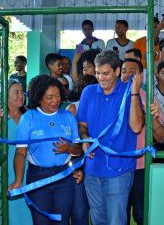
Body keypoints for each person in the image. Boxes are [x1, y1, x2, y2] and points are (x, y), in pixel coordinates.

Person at [77, 50, 144, 225]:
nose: (101, 78)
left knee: (116, 221)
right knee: (98, 220)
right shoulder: (88, 92)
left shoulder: (129, 93)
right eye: (98, 73)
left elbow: (137, 127)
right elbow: (82, 125)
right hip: (92, 168)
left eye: (105, 73)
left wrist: (135, 94)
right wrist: (84, 140)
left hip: (119, 170)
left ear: (116, 71)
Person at [8, 75, 82, 225]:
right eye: (49, 97)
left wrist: (68, 148)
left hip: (64, 177)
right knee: (41, 222)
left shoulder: (68, 116)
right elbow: (21, 153)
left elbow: (78, 150)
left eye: (58, 96)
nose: (55, 100)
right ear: (39, 98)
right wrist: (18, 180)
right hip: (38, 177)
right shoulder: (28, 118)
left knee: (61, 222)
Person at [119, 58, 164, 225]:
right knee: (119, 214)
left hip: (140, 165)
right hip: (118, 165)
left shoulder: (149, 99)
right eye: (124, 71)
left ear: (141, 75)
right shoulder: (112, 97)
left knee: (140, 213)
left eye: (132, 71)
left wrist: (150, 118)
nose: (127, 75)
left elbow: (161, 137)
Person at [66, 75, 98, 225]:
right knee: (79, 207)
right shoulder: (73, 107)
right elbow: (68, 137)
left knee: (95, 204)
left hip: (95, 156)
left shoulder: (100, 105)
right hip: (77, 158)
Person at [3, 79, 31, 224]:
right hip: (7, 169)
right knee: (13, 210)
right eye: (16, 93)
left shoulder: (29, 116)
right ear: (5, 96)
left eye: (23, 92)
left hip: (29, 168)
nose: (21, 96)